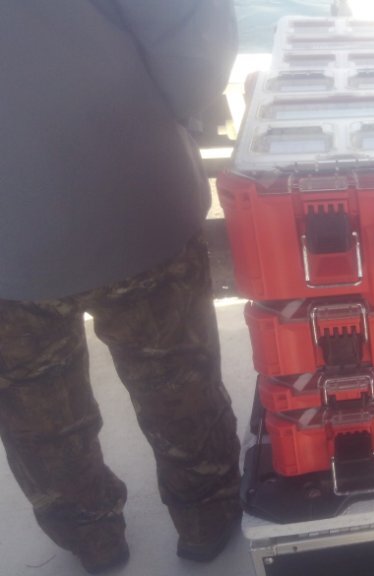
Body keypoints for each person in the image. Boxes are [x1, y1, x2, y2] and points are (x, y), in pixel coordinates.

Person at [0, 1, 240, 573]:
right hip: (130, 181)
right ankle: (205, 518)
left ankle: (92, 541)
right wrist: (162, 111)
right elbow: (189, 35)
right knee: (177, 382)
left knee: (37, 416)